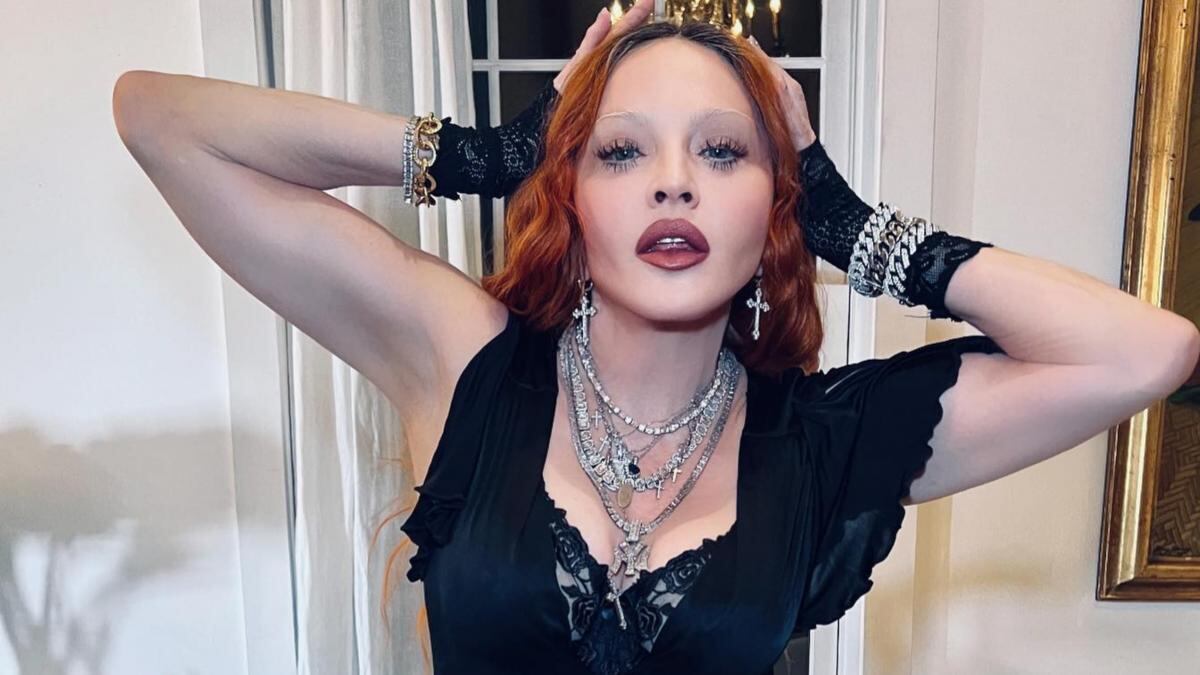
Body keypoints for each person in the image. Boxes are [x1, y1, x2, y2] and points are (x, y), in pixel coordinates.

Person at [111, 2, 1199, 673]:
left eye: (724, 153)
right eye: (622, 151)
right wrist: (486, 155)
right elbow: (162, 120)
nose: (675, 181)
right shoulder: (467, 362)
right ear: (571, 193)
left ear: (775, 204)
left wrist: (851, 224)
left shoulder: (825, 440)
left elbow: (1143, 351)